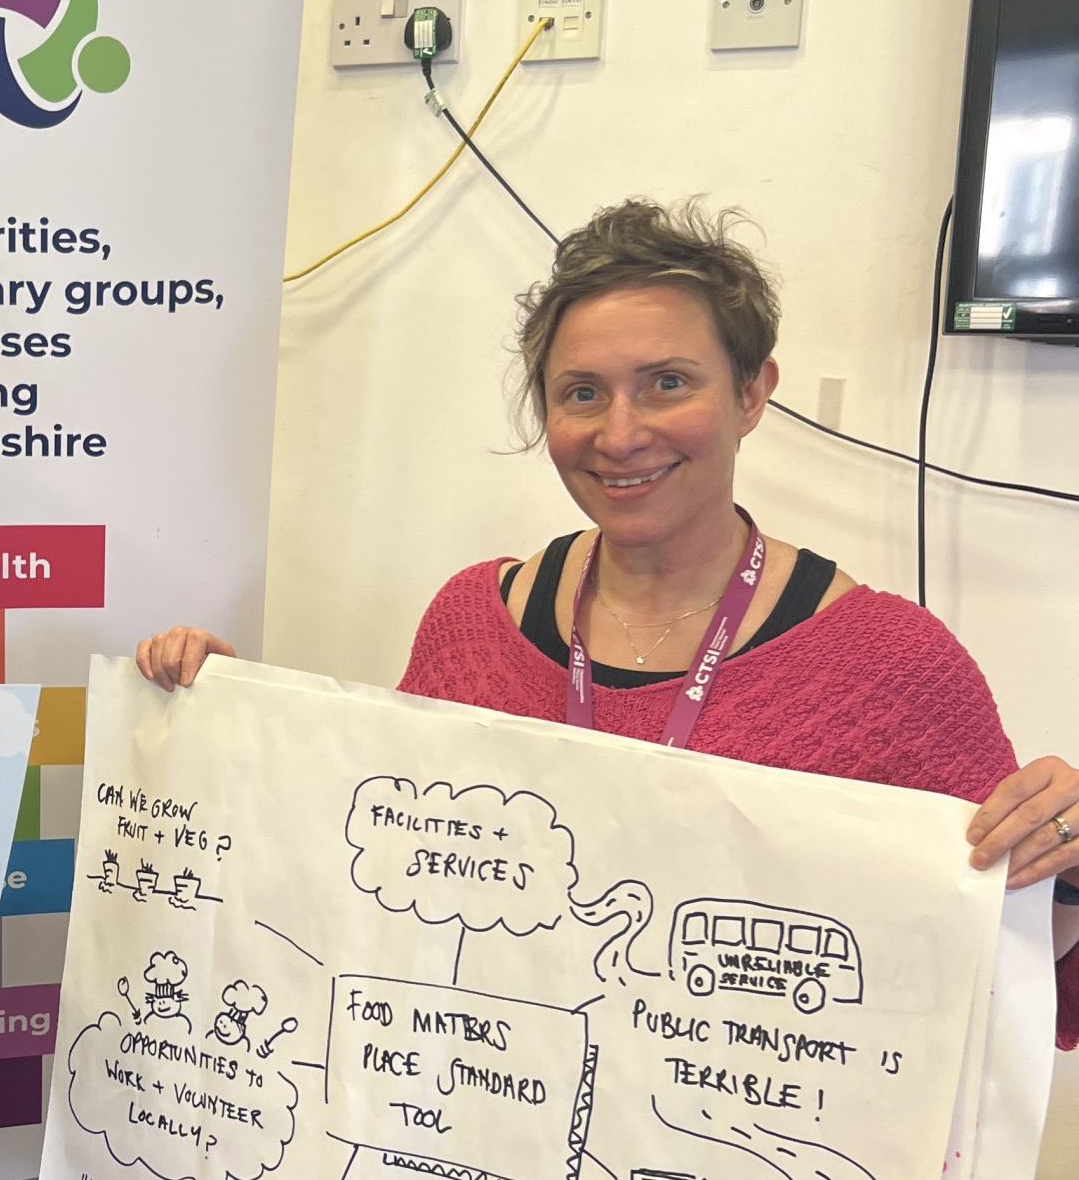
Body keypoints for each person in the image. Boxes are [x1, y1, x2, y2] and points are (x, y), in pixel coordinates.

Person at [138, 198, 1079, 1043]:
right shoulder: (473, 624)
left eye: (668, 382)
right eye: (581, 392)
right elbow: (386, 875)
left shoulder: (889, 665)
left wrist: (1071, 860)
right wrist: (228, 726)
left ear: (753, 393)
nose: (621, 433)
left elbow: (1011, 961)